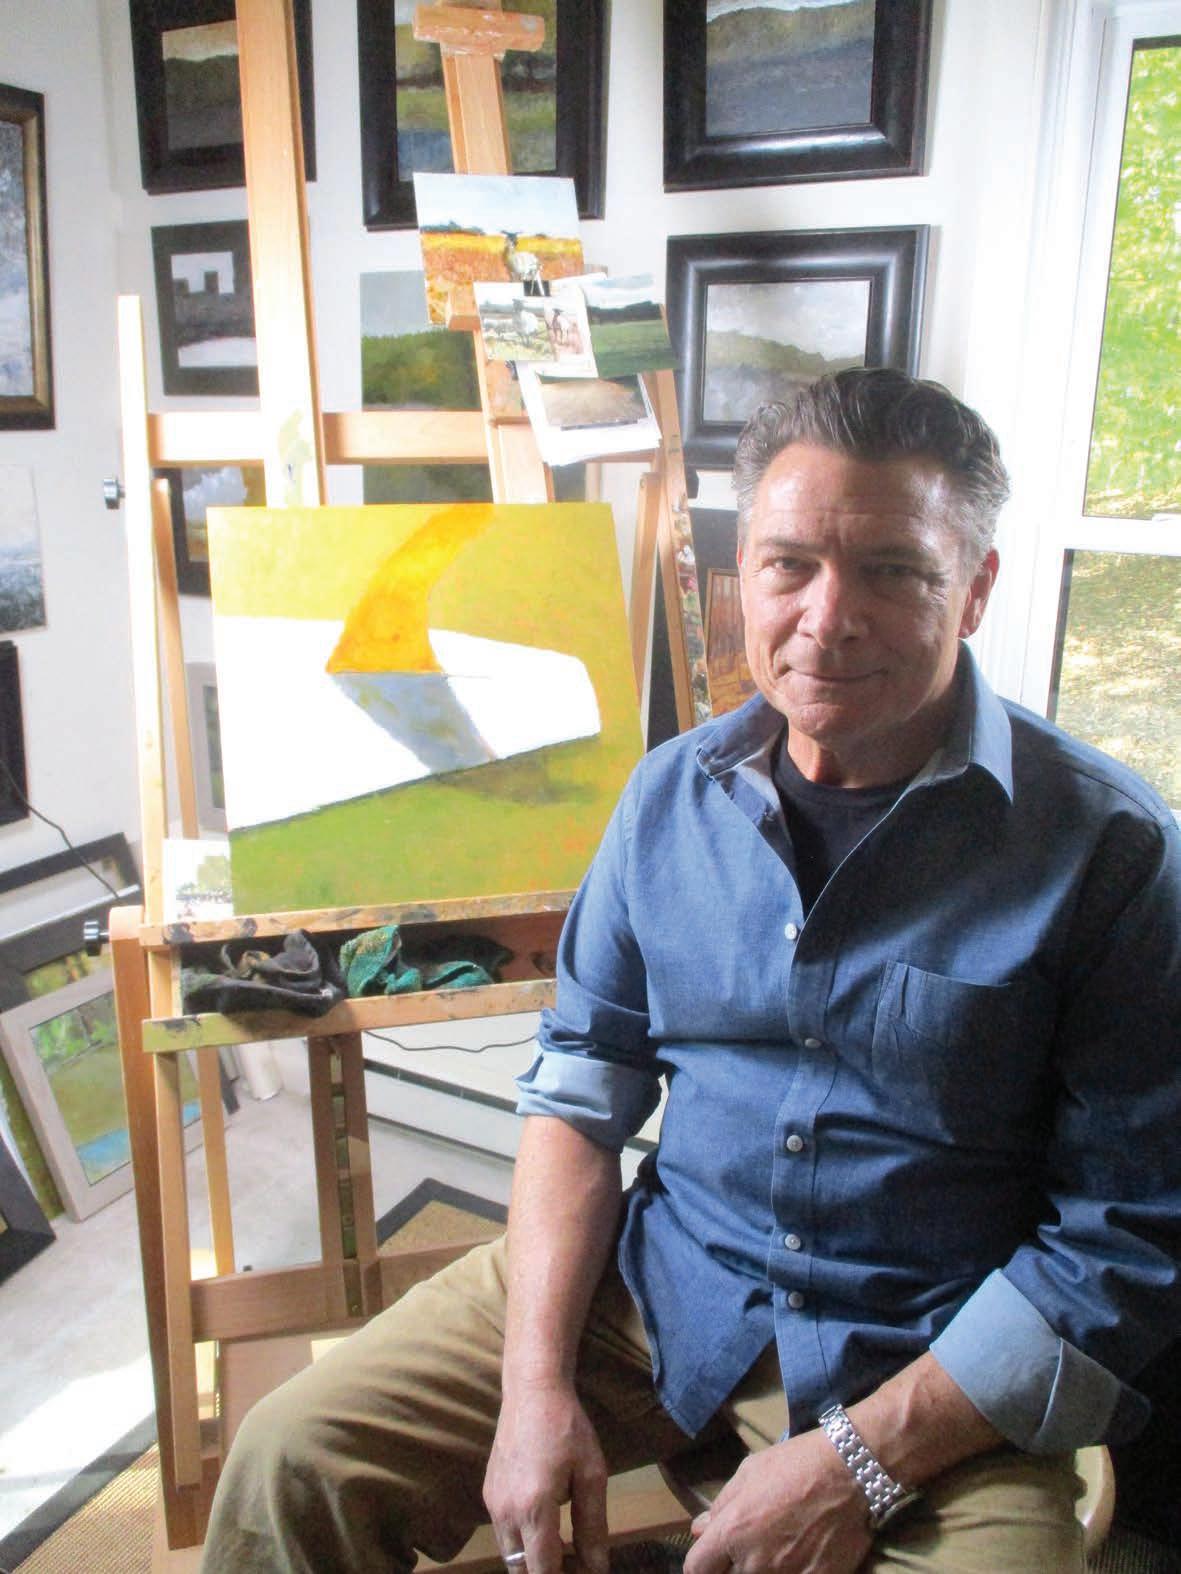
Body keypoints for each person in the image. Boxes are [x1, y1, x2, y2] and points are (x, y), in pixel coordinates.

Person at [200, 369, 1181, 1574]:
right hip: (658, 1290)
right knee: (289, 1455)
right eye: (788, 565)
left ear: (973, 588)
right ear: (740, 574)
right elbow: (579, 1087)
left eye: (892, 570)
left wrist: (857, 1460)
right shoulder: (668, 796)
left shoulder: (1109, 851)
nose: (827, 616)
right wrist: (530, 1385)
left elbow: (1123, 1237)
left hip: (928, 1357)